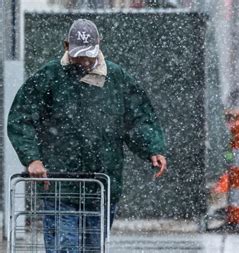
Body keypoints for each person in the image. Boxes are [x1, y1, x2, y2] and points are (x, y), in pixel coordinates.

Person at [7, 19, 167, 252]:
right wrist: (32, 158)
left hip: (101, 184)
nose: (83, 62)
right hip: (59, 184)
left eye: (88, 56)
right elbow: (21, 118)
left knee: (93, 248)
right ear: (66, 47)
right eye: (78, 55)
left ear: (99, 45)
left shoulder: (116, 78)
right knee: (65, 247)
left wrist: (152, 148)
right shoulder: (49, 77)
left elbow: (138, 118)